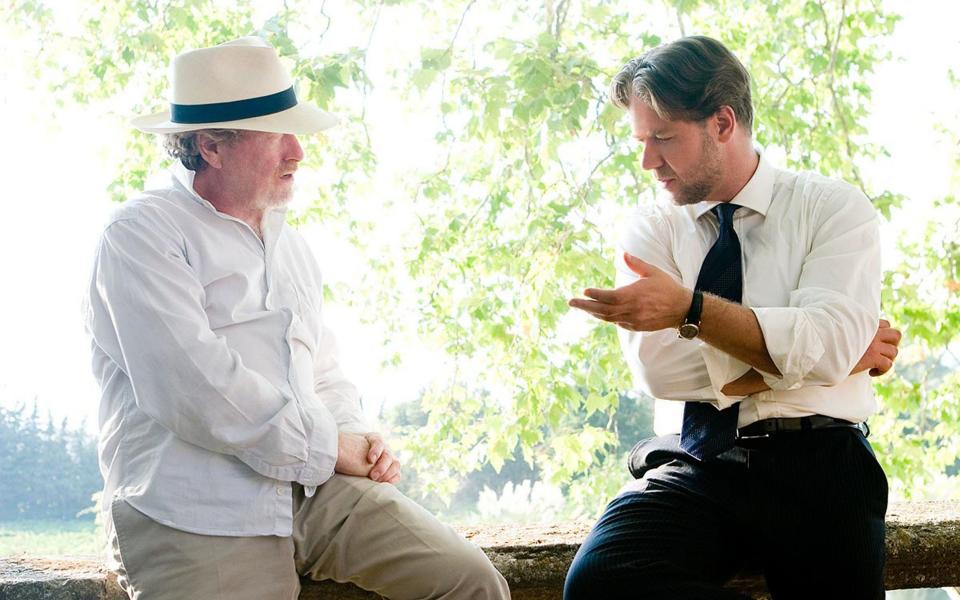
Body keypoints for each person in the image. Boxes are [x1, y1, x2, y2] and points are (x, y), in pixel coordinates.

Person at [84, 37, 510, 600]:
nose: (298, 152)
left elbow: (322, 370)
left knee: (470, 582)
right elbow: (196, 388)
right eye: (277, 136)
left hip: (314, 492)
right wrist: (331, 446)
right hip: (195, 510)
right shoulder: (141, 235)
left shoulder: (292, 246)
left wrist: (355, 433)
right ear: (211, 146)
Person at [566, 36, 899, 599]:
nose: (649, 161)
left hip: (822, 460)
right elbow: (662, 373)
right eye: (642, 141)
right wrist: (814, 359)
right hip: (700, 461)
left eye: (663, 138)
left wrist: (689, 311)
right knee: (602, 583)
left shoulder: (833, 207)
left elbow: (827, 343)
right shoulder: (652, 229)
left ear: (723, 122)